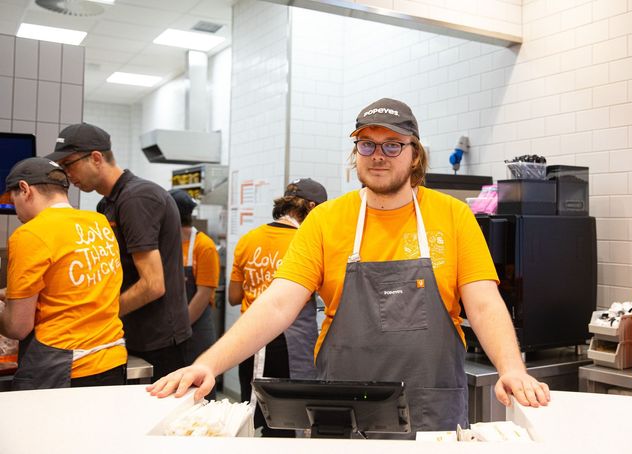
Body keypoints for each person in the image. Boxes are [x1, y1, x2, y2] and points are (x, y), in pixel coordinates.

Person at [148, 98, 550, 437]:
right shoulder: (327, 220)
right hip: (341, 409)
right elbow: (277, 305)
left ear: (415, 155)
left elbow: (483, 303)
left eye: (393, 145)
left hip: (433, 407)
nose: (378, 155)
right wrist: (209, 364)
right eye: (367, 144)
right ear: (355, 152)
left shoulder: (453, 216)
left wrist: (512, 369)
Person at [45, 123, 192, 382]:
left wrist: (99, 314)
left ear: (96, 158)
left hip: (158, 340)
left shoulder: (137, 198)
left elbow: (153, 284)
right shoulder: (109, 203)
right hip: (133, 332)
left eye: (69, 164)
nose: (67, 175)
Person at [0, 157, 126, 390]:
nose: (14, 208)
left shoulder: (30, 234)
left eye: (12, 198)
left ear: (25, 190)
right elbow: (75, 288)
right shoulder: (99, 224)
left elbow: (18, 326)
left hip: (63, 368)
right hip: (112, 360)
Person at [228, 178, 327, 437]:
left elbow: (234, 296)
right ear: (312, 207)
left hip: (249, 343)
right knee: (289, 420)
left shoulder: (249, 239)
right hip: (288, 346)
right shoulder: (306, 242)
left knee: (255, 417)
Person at [169, 189, 220, 400]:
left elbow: (203, 293)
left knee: (200, 391)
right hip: (171, 330)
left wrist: (179, 327)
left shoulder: (203, 245)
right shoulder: (167, 243)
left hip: (195, 330)